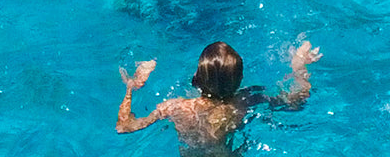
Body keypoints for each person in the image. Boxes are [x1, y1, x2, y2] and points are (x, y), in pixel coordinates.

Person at [118, 40, 324, 156]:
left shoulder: (174, 107)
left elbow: (124, 127)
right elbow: (297, 101)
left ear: (196, 77)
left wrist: (130, 88)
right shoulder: (246, 100)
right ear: (240, 79)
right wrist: (299, 67)